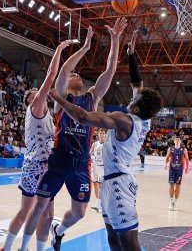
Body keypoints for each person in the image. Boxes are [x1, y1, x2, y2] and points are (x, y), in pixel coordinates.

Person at [47, 29, 162, 251]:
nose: (133, 97)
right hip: (108, 179)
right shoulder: (144, 121)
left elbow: (84, 117)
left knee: (129, 243)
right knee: (112, 236)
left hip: (116, 180)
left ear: (136, 106)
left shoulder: (123, 120)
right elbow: (137, 85)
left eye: (134, 99)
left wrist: (59, 99)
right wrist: (129, 54)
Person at [20, 18, 128, 251]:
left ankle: (58, 231)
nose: (76, 74)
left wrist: (115, 39)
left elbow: (110, 69)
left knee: (79, 213)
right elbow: (65, 68)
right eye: (73, 75)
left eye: (79, 74)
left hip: (81, 164)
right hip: (58, 159)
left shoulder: (92, 97)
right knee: (38, 207)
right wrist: (85, 47)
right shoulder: (61, 99)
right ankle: (23, 247)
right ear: (67, 82)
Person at [0, 40, 72, 251]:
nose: (38, 92)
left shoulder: (44, 114)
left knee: (47, 214)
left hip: (44, 165)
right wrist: (59, 50)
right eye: (34, 92)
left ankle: (35, 248)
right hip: (36, 166)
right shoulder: (36, 106)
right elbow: (51, 76)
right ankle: (9, 247)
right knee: (30, 212)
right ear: (31, 99)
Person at [164, 137, 189, 211]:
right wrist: (165, 164)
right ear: (174, 141)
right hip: (172, 169)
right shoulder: (170, 149)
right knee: (171, 184)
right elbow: (167, 157)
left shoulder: (184, 149)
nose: (177, 141)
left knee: (178, 185)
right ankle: (171, 202)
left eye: (179, 140)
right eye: (176, 139)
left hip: (180, 170)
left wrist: (187, 168)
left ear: (180, 142)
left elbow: (187, 159)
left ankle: (176, 202)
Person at [90, 129, 106, 212]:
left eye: (103, 133)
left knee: (101, 186)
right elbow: (90, 153)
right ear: (98, 134)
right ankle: (98, 202)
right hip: (95, 166)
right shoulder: (95, 144)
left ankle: (100, 204)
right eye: (100, 133)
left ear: (105, 135)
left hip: (102, 167)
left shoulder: (107, 144)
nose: (102, 134)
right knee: (95, 184)